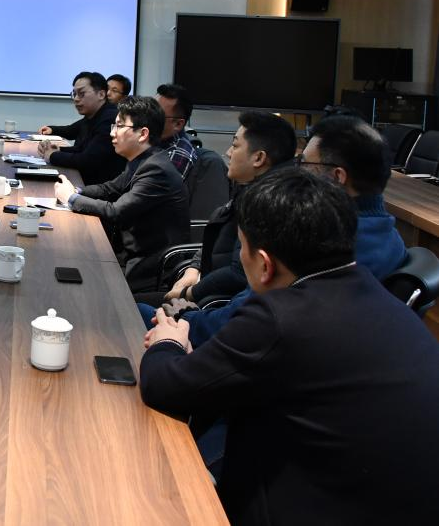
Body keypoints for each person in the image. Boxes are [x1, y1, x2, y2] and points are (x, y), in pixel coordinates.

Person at [140, 168, 439, 524]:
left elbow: (164, 386)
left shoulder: (280, 318)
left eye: (243, 249)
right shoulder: (374, 291)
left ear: (264, 265)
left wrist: (168, 342)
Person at [177, 114, 407, 347]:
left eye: (304, 164)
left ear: (337, 177)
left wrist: (181, 320)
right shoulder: (390, 236)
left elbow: (248, 318)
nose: (298, 173)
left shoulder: (325, 243)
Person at [142, 111, 296, 309]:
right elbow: (218, 241)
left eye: (235, 145)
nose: (229, 153)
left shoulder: (267, 203)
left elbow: (238, 274)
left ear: (258, 158)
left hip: (216, 305)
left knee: (131, 307)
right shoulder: (248, 189)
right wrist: (193, 269)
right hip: (206, 289)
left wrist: (188, 293)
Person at [55, 96, 189, 292]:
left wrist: (72, 198)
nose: (112, 133)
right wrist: (77, 191)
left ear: (143, 134)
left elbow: (116, 211)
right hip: (129, 253)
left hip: (150, 265)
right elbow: (110, 189)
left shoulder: (156, 169)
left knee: (77, 277)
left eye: (119, 126)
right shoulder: (143, 160)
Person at [37, 71, 125, 186]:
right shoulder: (93, 115)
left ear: (101, 94)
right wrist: (58, 149)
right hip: (87, 181)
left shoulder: (110, 118)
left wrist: (52, 155)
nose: (76, 99)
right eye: (74, 94)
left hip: (100, 189)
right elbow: (82, 148)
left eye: (81, 93)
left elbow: (88, 160)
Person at [154, 83, 196, 182]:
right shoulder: (152, 138)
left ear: (178, 124)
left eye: (156, 114)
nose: (148, 116)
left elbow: (150, 189)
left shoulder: (178, 153)